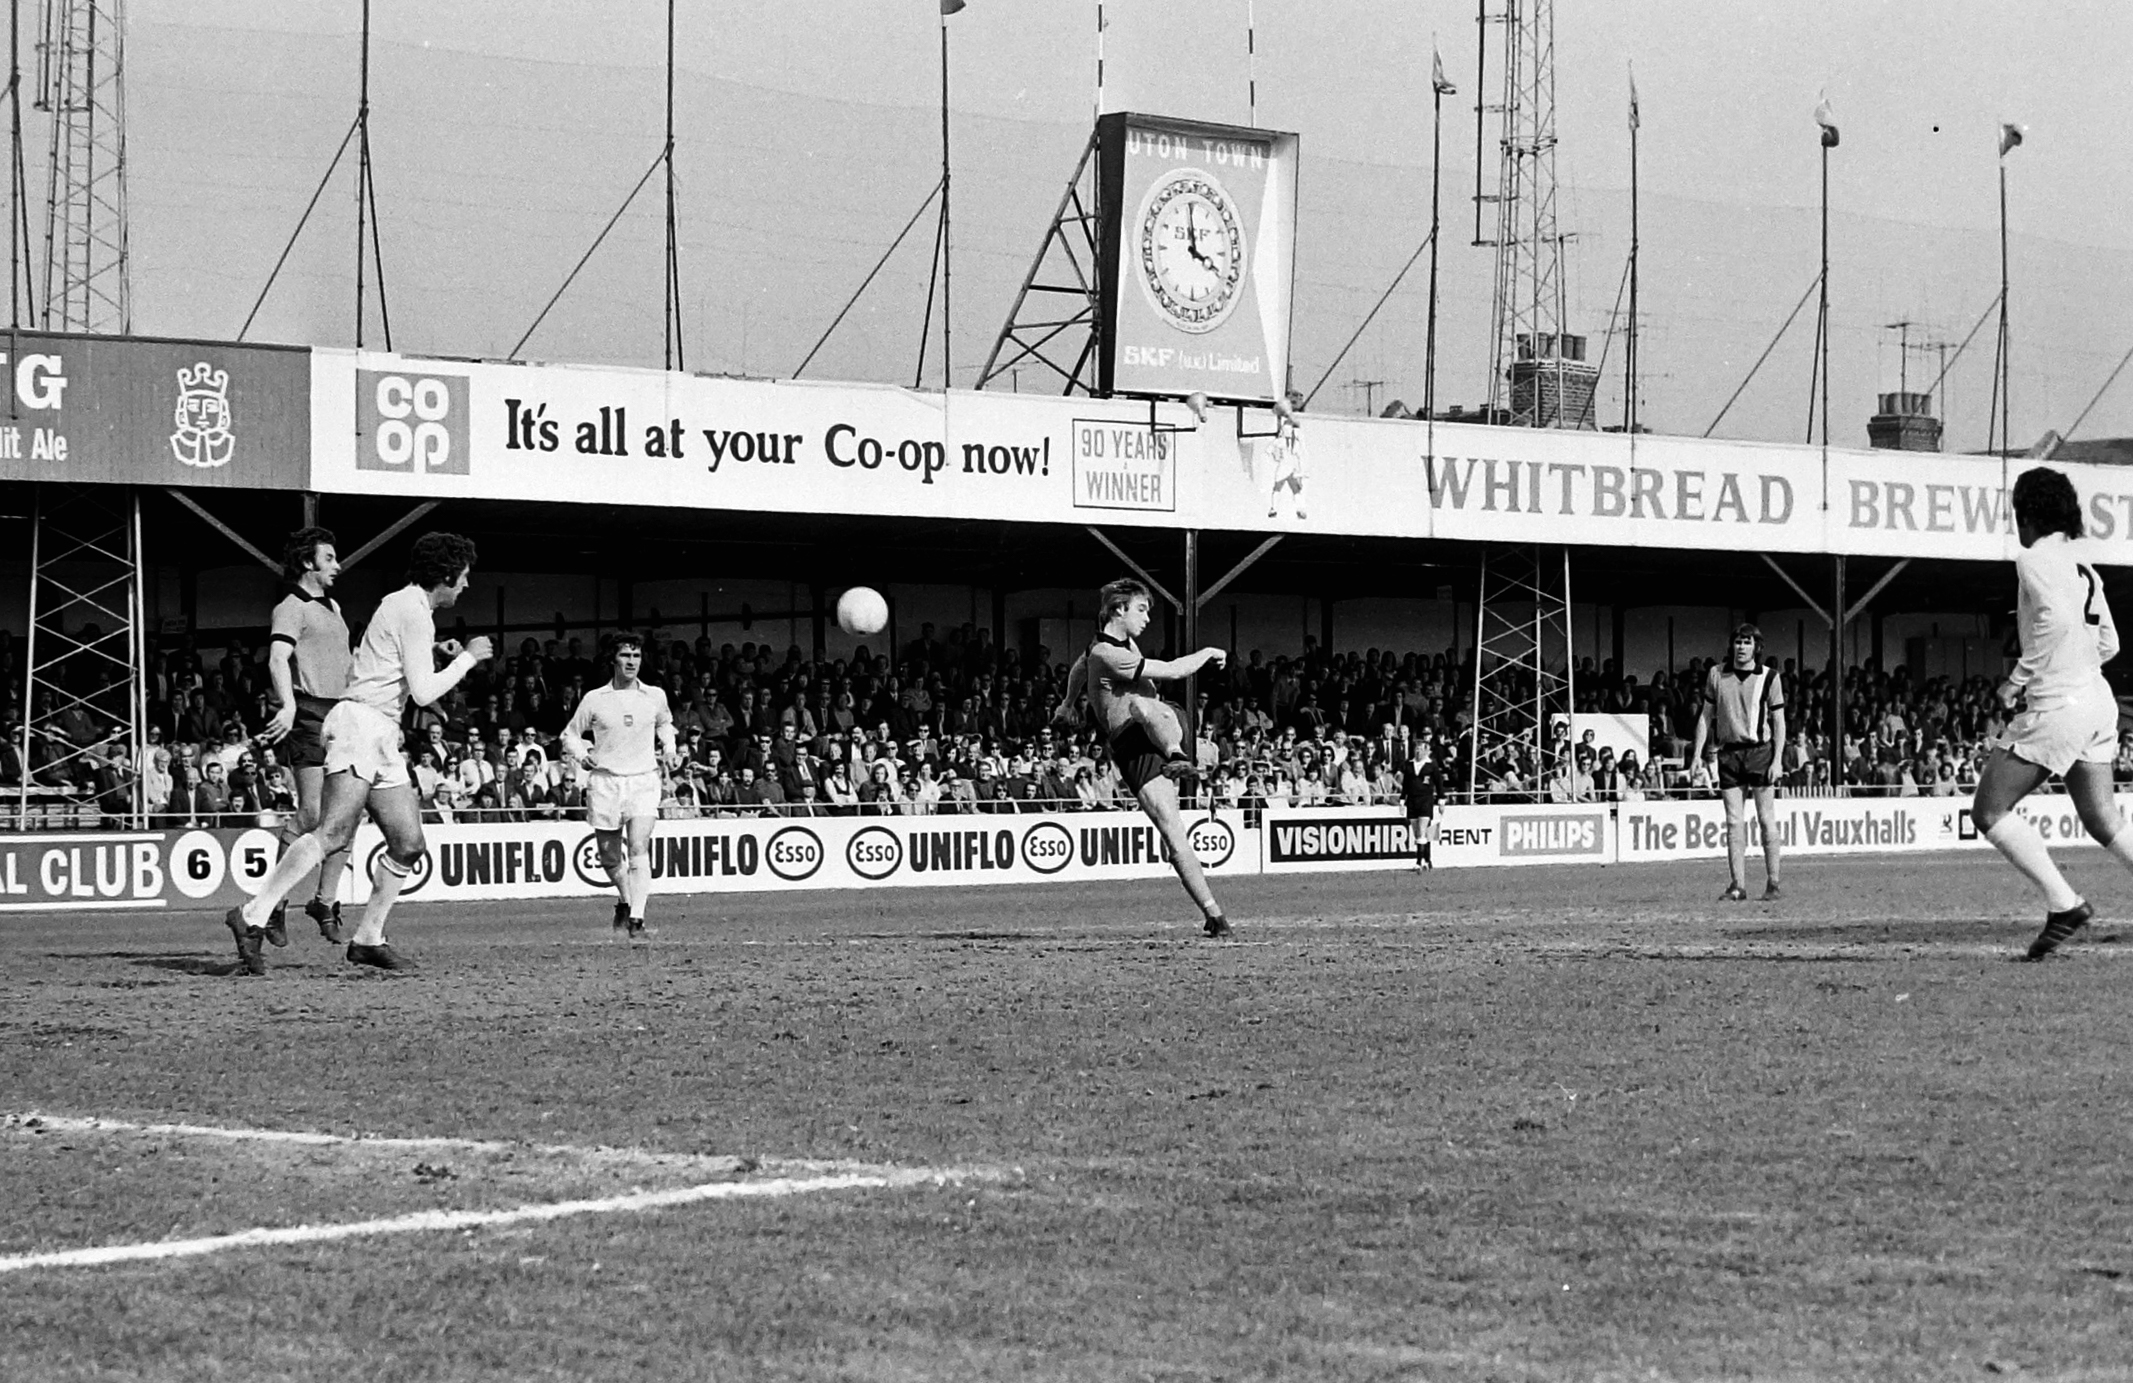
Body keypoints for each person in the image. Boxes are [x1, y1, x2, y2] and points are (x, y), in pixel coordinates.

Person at [227, 532, 493, 976]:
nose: (465, 586)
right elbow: (425, 694)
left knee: (408, 843)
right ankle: (252, 914)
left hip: (378, 729)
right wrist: (467, 659)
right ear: (445, 575)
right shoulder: (412, 610)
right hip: (360, 724)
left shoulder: (405, 606)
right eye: (463, 577)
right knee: (332, 831)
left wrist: (433, 650)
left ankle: (368, 939)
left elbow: (385, 664)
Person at [1972, 467, 2133, 959]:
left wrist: (2016, 680)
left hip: (2059, 701)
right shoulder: (2083, 566)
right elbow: (2109, 642)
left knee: (1989, 809)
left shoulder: (2033, 559)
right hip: (2097, 699)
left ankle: (2064, 904)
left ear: (2029, 514)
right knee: (2103, 817)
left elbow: (2056, 621)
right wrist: (2077, 666)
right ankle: (2064, 905)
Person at [1052, 577, 1234, 937]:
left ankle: (1177, 754)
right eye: (1141, 609)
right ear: (1119, 610)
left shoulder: (1118, 647)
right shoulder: (1104, 653)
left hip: (1165, 722)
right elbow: (1085, 666)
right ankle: (1215, 915)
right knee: (1172, 830)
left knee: (1141, 704)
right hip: (1131, 745)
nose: (1147, 618)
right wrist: (1069, 701)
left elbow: (1168, 674)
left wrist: (1068, 702)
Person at [258, 526, 356, 948]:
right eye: (329, 558)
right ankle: (274, 902)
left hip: (343, 713)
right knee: (314, 814)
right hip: (311, 712)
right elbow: (279, 658)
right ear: (307, 563)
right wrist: (288, 705)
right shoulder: (290, 607)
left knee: (349, 814)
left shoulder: (333, 606)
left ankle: (325, 900)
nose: (337, 565)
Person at [559, 632, 678, 940]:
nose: (632, 662)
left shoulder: (654, 695)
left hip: (642, 780)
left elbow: (665, 723)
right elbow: (570, 734)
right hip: (606, 782)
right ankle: (626, 901)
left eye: (636, 656)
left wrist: (669, 746)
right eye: (626, 655)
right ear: (613, 659)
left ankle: (637, 919)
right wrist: (582, 754)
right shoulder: (595, 699)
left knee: (639, 847)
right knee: (610, 858)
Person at [1690, 623, 1786, 902]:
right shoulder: (1716, 674)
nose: (1741, 647)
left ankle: (1773, 882)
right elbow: (1706, 716)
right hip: (1728, 753)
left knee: (1766, 819)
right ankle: (1737, 885)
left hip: (1759, 752)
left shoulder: (1770, 677)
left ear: (1757, 647)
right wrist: (1697, 755)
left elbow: (1779, 721)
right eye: (1738, 642)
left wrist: (1777, 759)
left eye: (1747, 642)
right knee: (1733, 821)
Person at [1400, 741, 1437, 871]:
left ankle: (1419, 862)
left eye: (1421, 749)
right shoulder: (1409, 765)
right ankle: (1427, 860)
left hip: (1425, 801)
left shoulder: (1431, 765)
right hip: (1412, 802)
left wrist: (1442, 800)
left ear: (1426, 751)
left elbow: (1439, 783)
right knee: (1418, 834)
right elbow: (1405, 784)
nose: (1418, 752)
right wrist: (1402, 800)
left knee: (1422, 831)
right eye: (1416, 749)